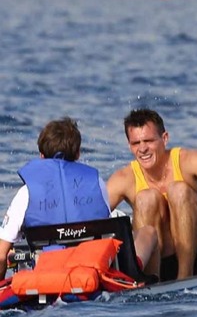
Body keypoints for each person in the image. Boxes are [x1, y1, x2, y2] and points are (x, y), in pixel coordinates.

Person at [0, 118, 156, 279]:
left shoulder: (26, 193)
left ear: (41, 155)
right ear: (78, 153)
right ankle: (150, 283)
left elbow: (1, 256)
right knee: (149, 232)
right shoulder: (96, 183)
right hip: (91, 274)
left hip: (47, 276)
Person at [106, 109, 197, 281]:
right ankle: (150, 281)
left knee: (178, 190)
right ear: (130, 146)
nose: (143, 149)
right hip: (163, 262)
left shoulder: (187, 159)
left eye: (149, 141)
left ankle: (184, 276)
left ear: (164, 138)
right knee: (146, 198)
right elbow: (91, 217)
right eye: (136, 143)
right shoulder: (124, 178)